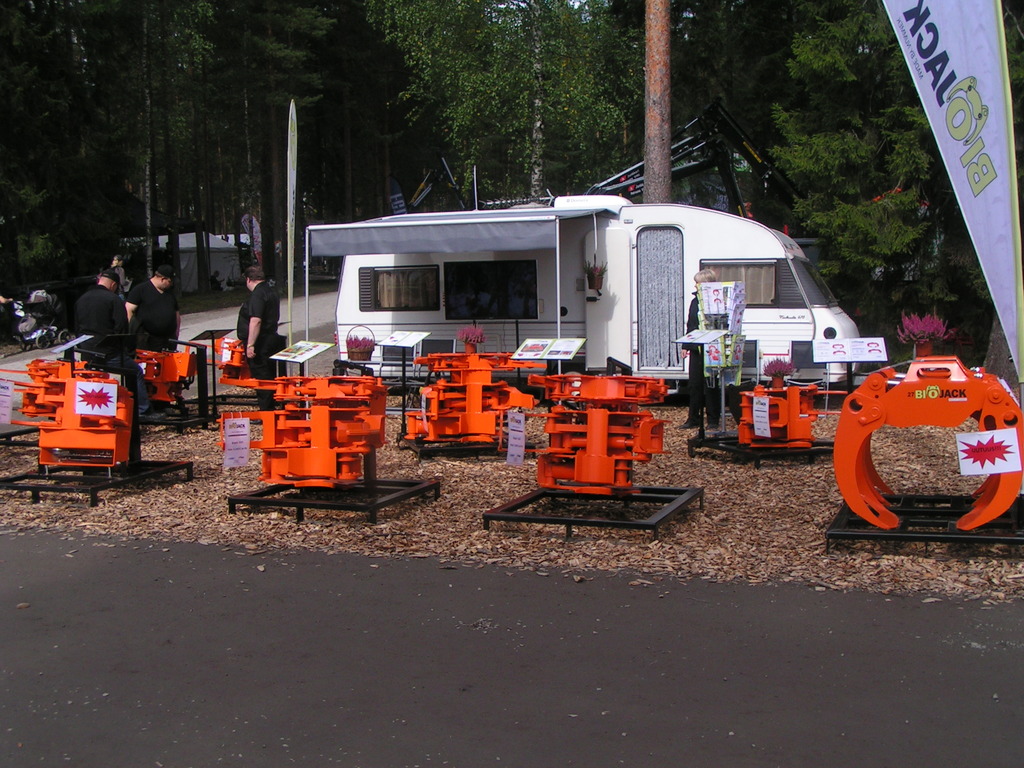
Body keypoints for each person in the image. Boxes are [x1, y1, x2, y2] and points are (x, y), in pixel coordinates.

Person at [74, 269, 163, 423]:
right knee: (135, 371)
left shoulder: (81, 299)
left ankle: (90, 414)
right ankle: (143, 410)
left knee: (91, 377)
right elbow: (121, 327)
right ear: (113, 285)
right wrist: (127, 350)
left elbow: (76, 327)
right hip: (108, 350)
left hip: (86, 349)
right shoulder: (112, 299)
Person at [237, 265, 283, 410]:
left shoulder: (257, 294)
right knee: (270, 374)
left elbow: (256, 320)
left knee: (262, 377)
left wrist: (250, 344)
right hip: (271, 338)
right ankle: (271, 407)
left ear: (248, 279)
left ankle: (266, 411)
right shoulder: (271, 291)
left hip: (261, 342)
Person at [681, 268, 721, 429]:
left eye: (698, 283)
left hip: (712, 348)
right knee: (694, 384)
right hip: (696, 348)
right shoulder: (695, 301)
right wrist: (686, 345)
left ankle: (713, 419)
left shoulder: (717, 301)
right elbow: (691, 325)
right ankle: (693, 418)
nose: (696, 286)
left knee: (711, 384)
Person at [125, 264, 180, 352]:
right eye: (170, 281)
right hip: (148, 340)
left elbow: (176, 312)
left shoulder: (169, 293)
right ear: (162, 279)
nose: (172, 284)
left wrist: (176, 332)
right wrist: (133, 332)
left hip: (168, 339)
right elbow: (129, 309)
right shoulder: (140, 290)